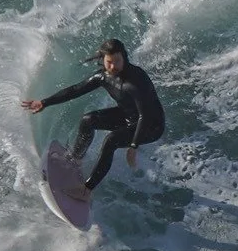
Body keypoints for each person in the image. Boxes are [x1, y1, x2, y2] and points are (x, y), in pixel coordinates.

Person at [21, 39, 165, 191]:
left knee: (111, 140)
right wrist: (44, 102)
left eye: (117, 61)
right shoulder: (104, 77)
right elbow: (76, 90)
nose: (113, 66)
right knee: (88, 120)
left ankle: (86, 190)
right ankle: (75, 159)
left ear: (124, 57)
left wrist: (133, 146)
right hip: (129, 117)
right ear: (103, 59)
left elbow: (145, 116)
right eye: (109, 62)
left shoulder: (135, 81)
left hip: (151, 126)